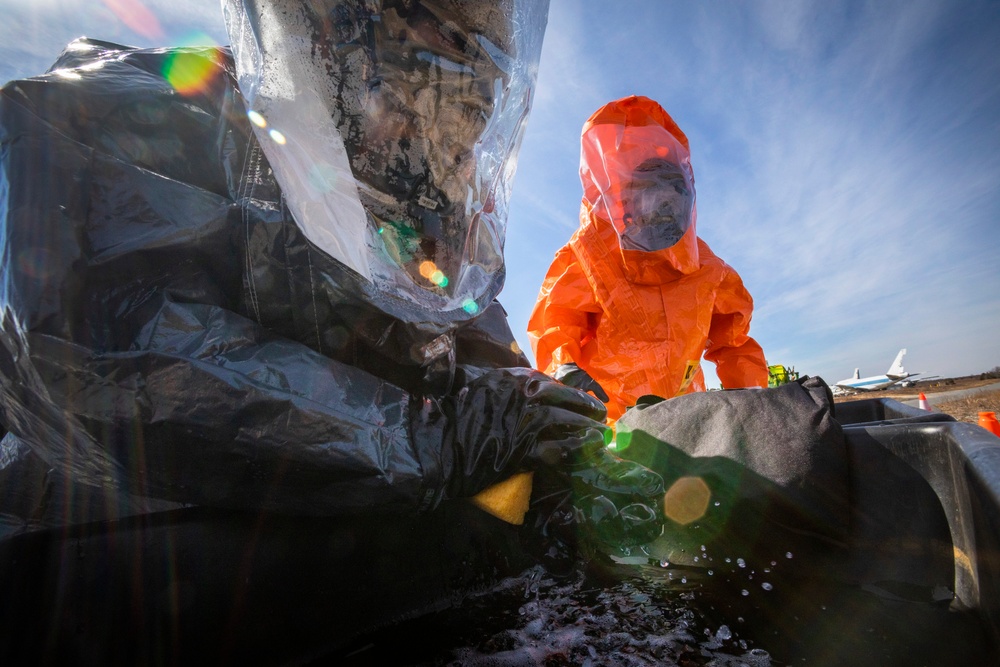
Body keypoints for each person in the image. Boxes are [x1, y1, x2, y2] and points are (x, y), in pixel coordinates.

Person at [0, 1, 663, 549]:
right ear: (335, 28)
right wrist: (427, 439)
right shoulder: (166, 111)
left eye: (484, 74)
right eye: (448, 52)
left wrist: (547, 401)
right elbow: (89, 334)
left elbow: (485, 371)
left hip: (341, 566)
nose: (471, 110)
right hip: (111, 557)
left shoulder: (430, 231)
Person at [528, 95, 768, 423]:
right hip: (610, 432)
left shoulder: (708, 271)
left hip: (685, 425)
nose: (663, 204)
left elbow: (734, 343)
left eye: (673, 192)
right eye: (649, 192)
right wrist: (562, 367)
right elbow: (556, 322)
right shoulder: (591, 258)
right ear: (623, 202)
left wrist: (750, 402)